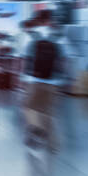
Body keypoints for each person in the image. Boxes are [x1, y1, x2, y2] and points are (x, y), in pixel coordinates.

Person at [20, 11, 64, 151]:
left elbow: (25, 58)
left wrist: (21, 78)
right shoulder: (58, 36)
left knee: (28, 107)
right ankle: (53, 145)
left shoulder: (33, 35)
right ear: (51, 19)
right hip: (53, 81)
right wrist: (62, 79)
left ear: (38, 20)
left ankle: (36, 130)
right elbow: (64, 60)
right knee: (48, 112)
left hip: (35, 79)